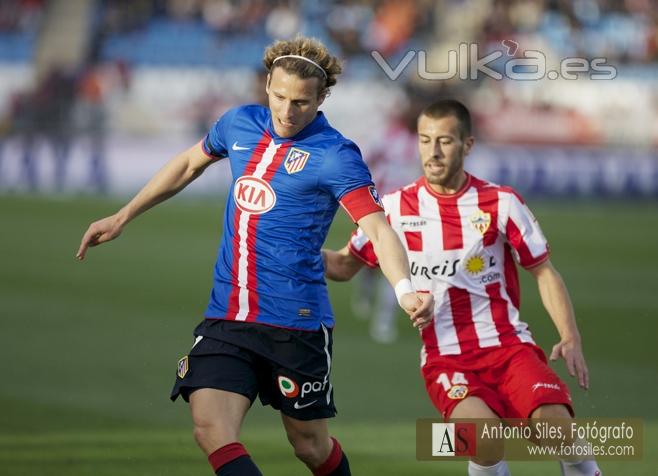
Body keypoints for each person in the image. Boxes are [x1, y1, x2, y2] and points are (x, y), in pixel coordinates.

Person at [76, 36, 433, 476]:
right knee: (210, 428)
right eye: (280, 97)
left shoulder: (336, 155)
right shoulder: (239, 123)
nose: (286, 111)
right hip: (229, 315)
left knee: (310, 447)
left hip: (295, 323)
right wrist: (123, 215)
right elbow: (189, 164)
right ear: (267, 84)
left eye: (301, 102)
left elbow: (378, 228)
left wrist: (404, 291)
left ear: (322, 98)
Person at [322, 99, 602, 476]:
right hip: (447, 359)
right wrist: (293, 246)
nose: (433, 152)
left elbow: (544, 271)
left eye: (444, 141)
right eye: (424, 140)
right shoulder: (394, 209)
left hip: (509, 348)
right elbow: (342, 265)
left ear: (467, 145)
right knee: (483, 439)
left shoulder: (501, 203)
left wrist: (569, 335)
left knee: (556, 426)